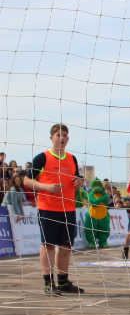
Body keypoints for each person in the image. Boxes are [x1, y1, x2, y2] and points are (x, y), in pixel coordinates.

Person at [24, 123, 85, 296]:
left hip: (69, 208)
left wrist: (79, 182)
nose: (62, 138)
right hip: (48, 208)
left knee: (66, 246)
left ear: (68, 138)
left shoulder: (72, 158)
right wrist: (46, 187)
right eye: (59, 135)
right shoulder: (42, 157)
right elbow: (27, 181)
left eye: (65, 135)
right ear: (52, 138)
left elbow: (77, 180)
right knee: (48, 245)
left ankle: (63, 281)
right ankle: (48, 283)